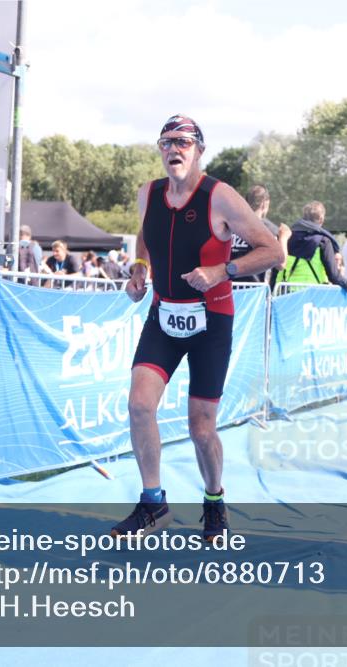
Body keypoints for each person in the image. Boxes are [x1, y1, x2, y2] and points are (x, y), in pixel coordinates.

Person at [116, 114, 282, 541]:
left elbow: (273, 253)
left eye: (184, 142)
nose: (174, 149)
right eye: (167, 142)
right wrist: (139, 270)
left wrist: (222, 270)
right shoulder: (147, 194)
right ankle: (153, 503)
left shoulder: (219, 196)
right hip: (164, 314)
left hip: (212, 320)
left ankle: (214, 501)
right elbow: (145, 237)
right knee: (139, 405)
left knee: (201, 428)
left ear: (199, 150)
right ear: (160, 150)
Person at [276, 201, 347, 291]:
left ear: (303, 217)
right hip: (313, 294)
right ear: (321, 219)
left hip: (286, 292)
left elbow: (276, 269)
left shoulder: (286, 236)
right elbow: (333, 275)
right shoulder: (323, 241)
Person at [228, 184, 290, 284]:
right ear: (264, 204)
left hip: (229, 291)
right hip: (255, 294)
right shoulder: (269, 230)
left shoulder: (230, 226)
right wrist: (284, 238)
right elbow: (281, 264)